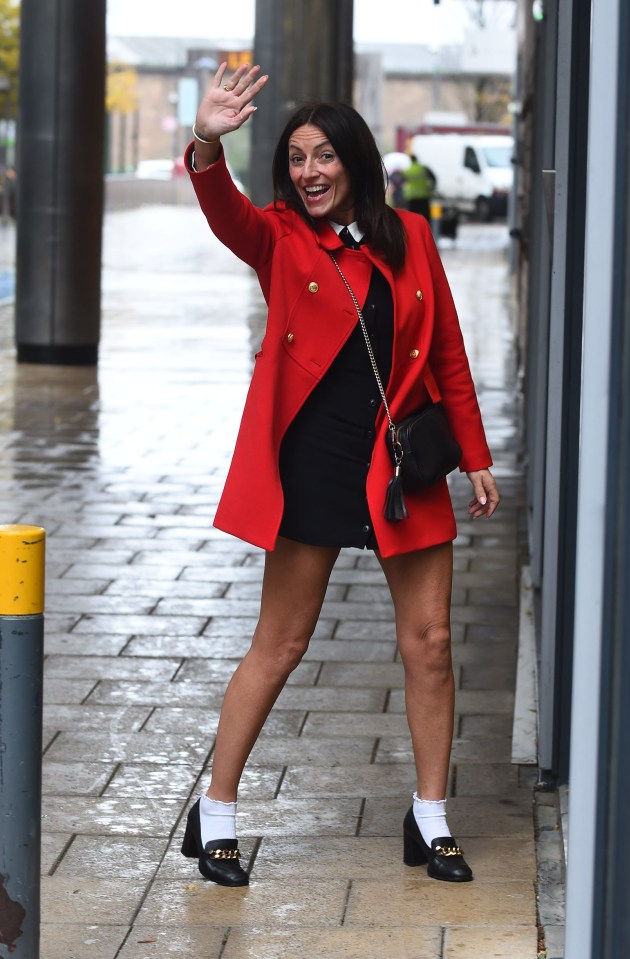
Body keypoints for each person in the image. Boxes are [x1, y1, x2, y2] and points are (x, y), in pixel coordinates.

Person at [180, 62, 500, 888]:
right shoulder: (279, 238)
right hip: (313, 465)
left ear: (355, 162)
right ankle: (214, 812)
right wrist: (208, 138)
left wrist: (476, 454)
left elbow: (451, 356)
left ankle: (429, 816)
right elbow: (223, 209)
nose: (309, 172)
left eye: (323, 156)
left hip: (401, 467)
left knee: (428, 646)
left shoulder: (415, 239)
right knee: (280, 644)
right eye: (295, 158)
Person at [401, 154, 436, 221]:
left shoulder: (407, 171)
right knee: (426, 216)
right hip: (424, 196)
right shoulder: (424, 168)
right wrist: (431, 190)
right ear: (417, 159)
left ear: (410, 161)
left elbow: (402, 181)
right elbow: (433, 179)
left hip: (412, 196)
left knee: (412, 216)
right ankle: (425, 229)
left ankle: (413, 230)